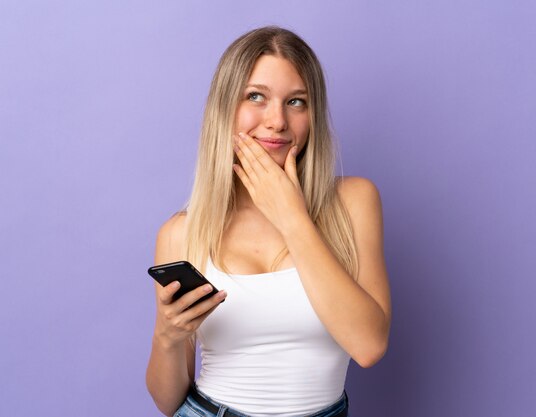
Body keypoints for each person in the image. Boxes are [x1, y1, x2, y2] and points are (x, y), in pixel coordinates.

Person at [146, 26, 391, 417]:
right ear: (225, 108)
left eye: (296, 102)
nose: (277, 121)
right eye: (256, 97)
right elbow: (167, 401)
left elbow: (368, 345)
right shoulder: (182, 233)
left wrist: (291, 215)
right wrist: (167, 337)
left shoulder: (353, 201)